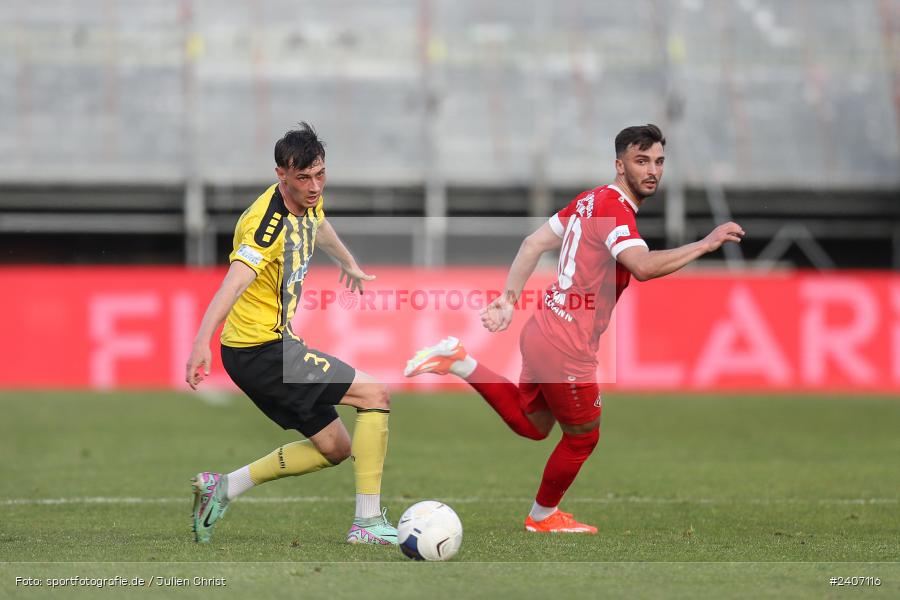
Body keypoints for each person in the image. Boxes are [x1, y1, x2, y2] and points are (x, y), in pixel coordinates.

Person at [405, 124, 744, 534]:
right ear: (620, 166)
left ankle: (459, 361)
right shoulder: (615, 210)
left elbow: (533, 242)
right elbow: (643, 266)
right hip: (567, 344)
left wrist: (509, 300)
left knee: (534, 424)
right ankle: (543, 517)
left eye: (658, 162)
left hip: (543, 329)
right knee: (583, 437)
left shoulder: (589, 201)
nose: (652, 170)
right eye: (641, 161)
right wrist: (705, 244)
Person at [185, 122, 397, 545]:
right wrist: (199, 342)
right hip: (262, 350)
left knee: (335, 448)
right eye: (303, 178)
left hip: (272, 347)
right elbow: (233, 281)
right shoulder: (265, 226)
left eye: (320, 174)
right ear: (282, 173)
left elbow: (319, 225)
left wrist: (348, 263)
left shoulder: (307, 198)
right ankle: (367, 525)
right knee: (375, 395)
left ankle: (222, 488)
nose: (314, 186)